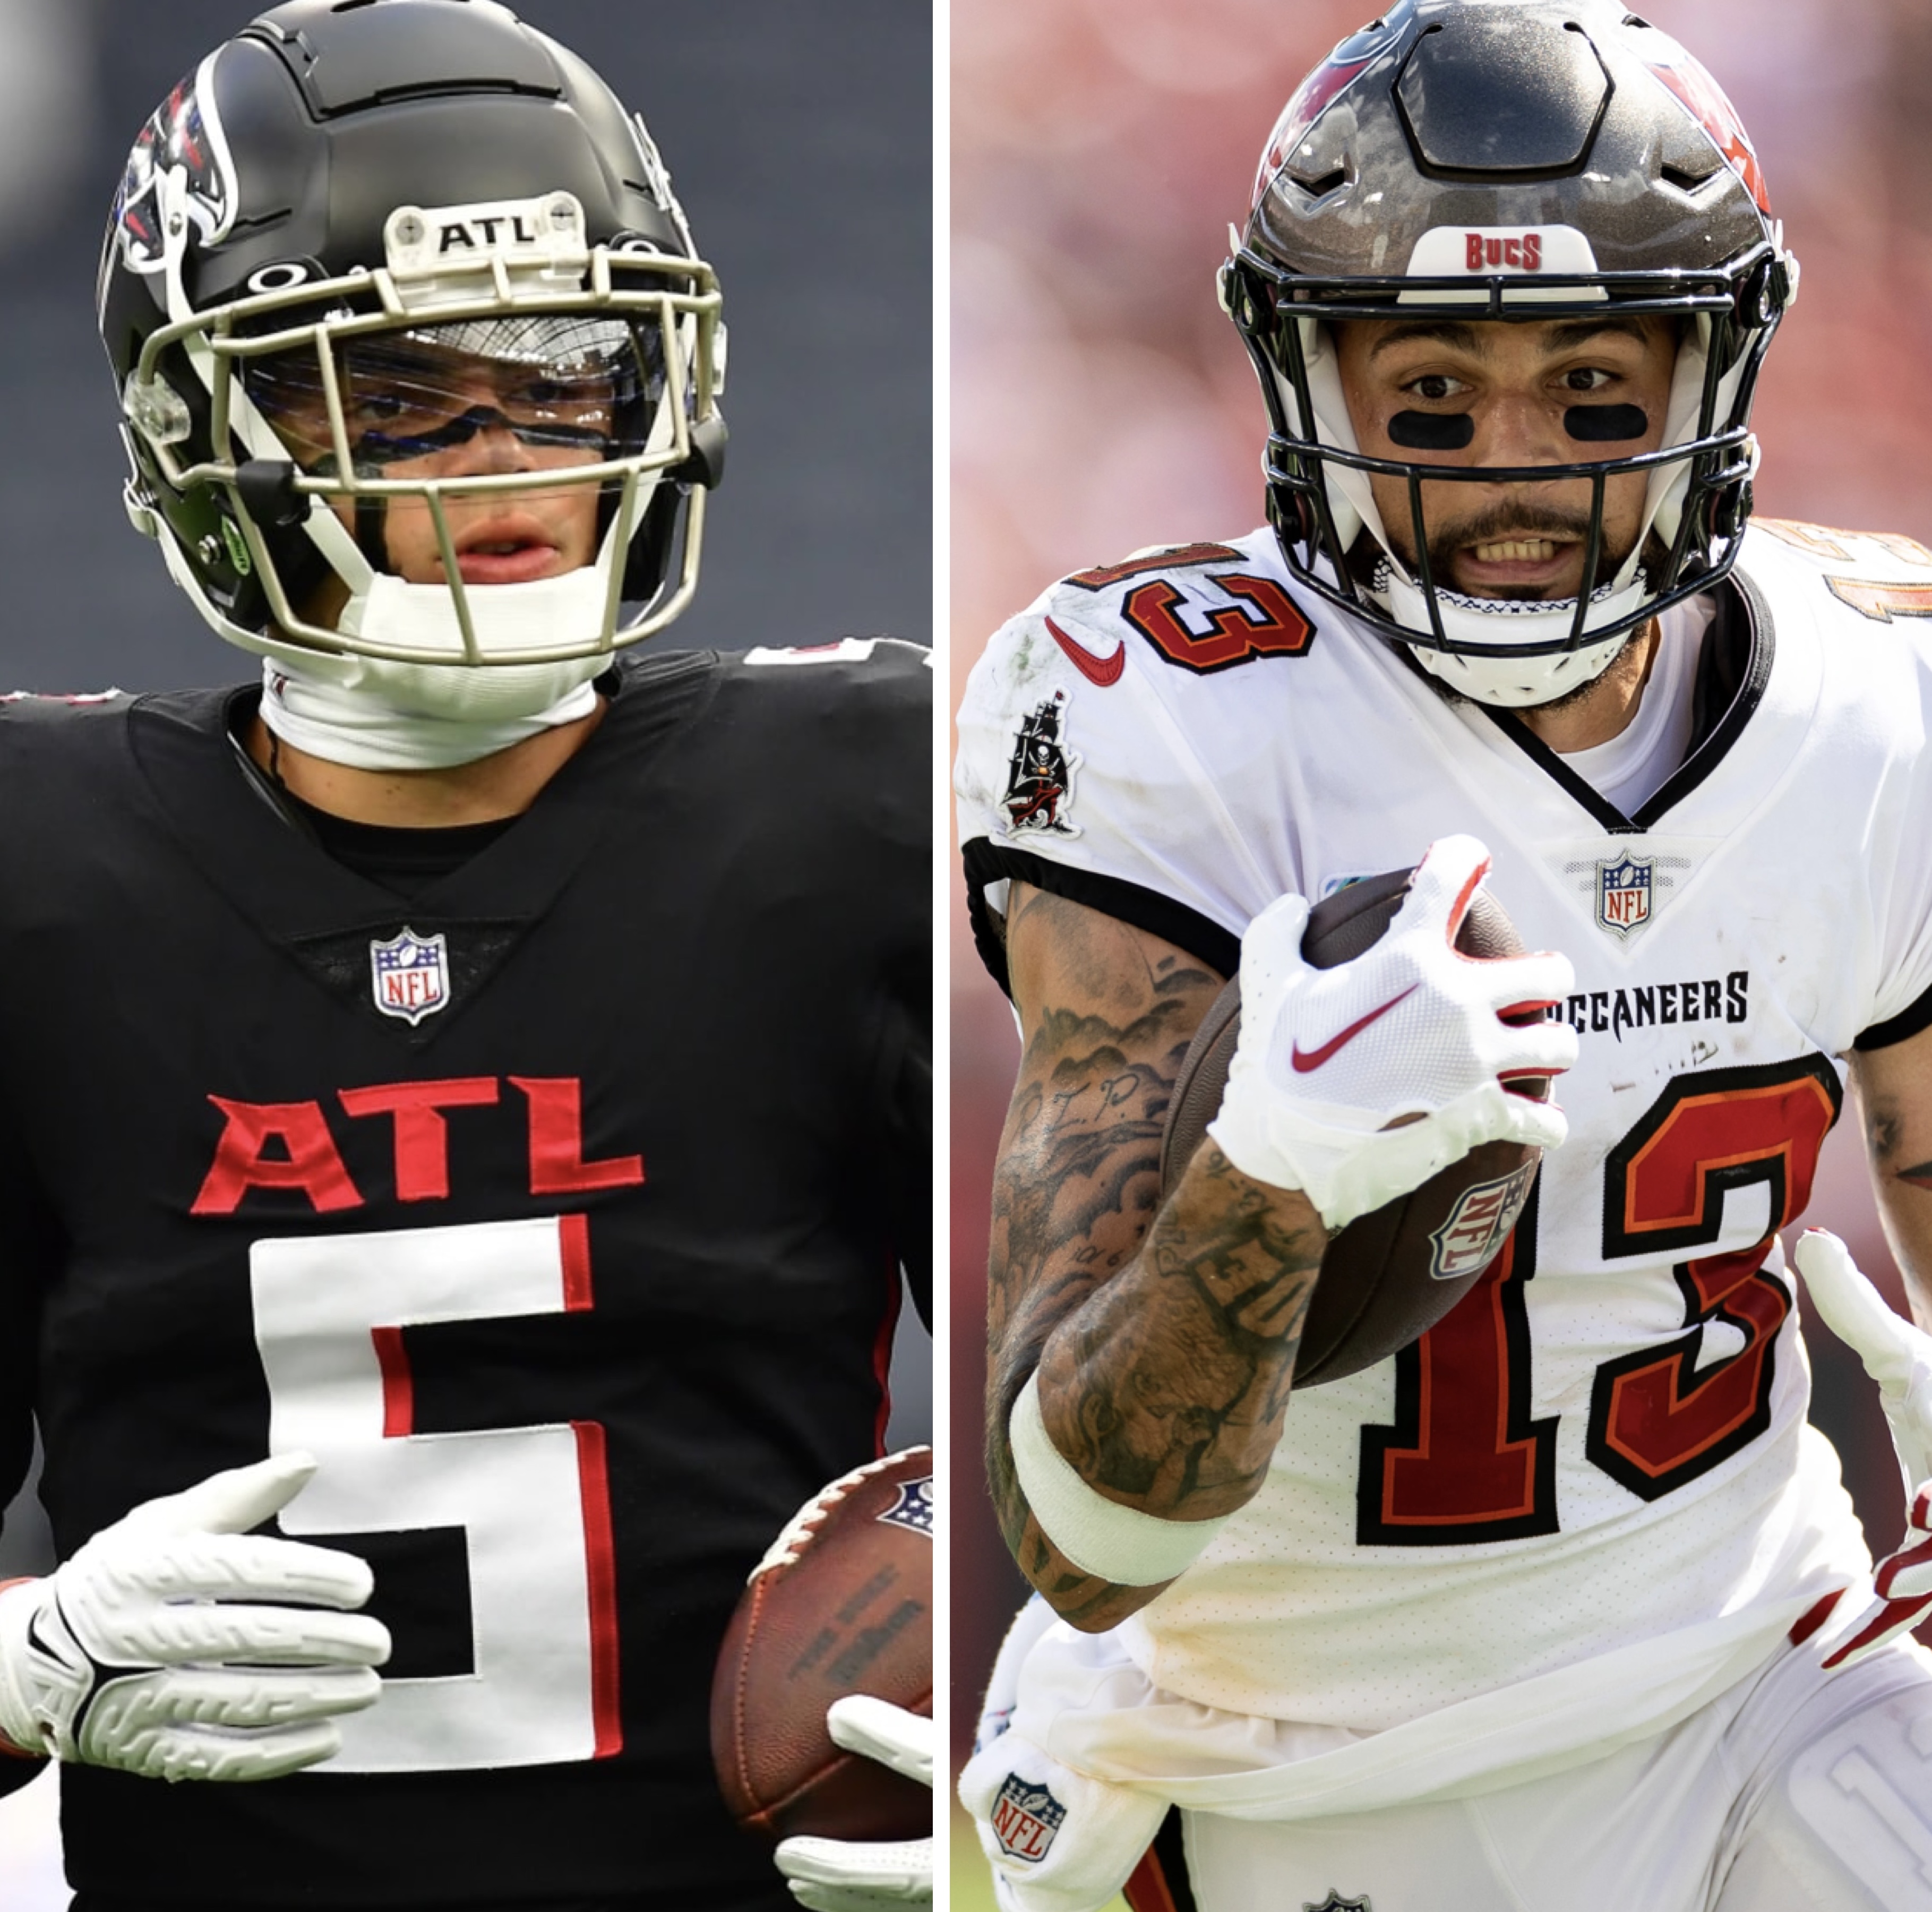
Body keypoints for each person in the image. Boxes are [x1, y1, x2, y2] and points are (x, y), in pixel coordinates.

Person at [955, 3, 1932, 1907]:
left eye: (1591, 395)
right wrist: (1272, 1167)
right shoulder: (1170, 722)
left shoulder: (1881, 698)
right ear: (1305, 383)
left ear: (1713, 368)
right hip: (1289, 1761)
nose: (1515, 475)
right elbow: (1084, 1537)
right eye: (1427, 401)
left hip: (1758, 1673)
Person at [0, 4, 932, 1910]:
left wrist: (1034, 1739)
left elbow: (1129, 1435)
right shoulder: (42, 867)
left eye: (571, 374)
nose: (504, 464)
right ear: (204, 433)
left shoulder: (857, 804)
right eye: (403, 399)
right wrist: (27, 1664)